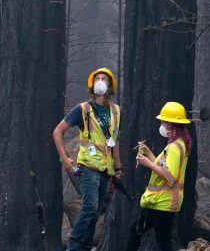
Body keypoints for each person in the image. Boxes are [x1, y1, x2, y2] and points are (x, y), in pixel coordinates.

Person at [53, 68, 123, 251]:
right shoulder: (82, 109)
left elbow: (115, 141)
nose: (100, 81)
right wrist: (65, 159)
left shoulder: (116, 112)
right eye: (97, 79)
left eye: (104, 79)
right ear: (92, 85)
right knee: (90, 207)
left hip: (106, 170)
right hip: (88, 166)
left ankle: (84, 247)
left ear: (110, 86)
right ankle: (74, 246)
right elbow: (57, 132)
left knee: (95, 212)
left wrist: (118, 167)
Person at [125, 101, 192, 251]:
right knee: (135, 230)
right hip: (156, 201)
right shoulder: (177, 144)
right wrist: (149, 153)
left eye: (163, 121)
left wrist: (148, 163)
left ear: (169, 124)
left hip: (164, 202)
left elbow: (170, 175)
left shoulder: (175, 147)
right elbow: (165, 167)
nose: (161, 124)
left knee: (163, 242)